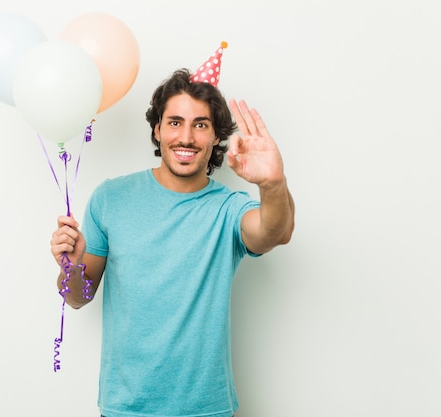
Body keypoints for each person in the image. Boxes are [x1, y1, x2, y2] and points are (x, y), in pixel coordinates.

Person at [50, 44, 295, 417]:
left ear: (216, 137)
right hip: (126, 408)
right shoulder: (110, 199)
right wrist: (71, 267)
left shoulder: (228, 208)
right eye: (175, 122)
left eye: (201, 125)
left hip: (205, 408)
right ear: (157, 129)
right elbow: (79, 297)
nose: (186, 137)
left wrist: (273, 184)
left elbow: (274, 232)